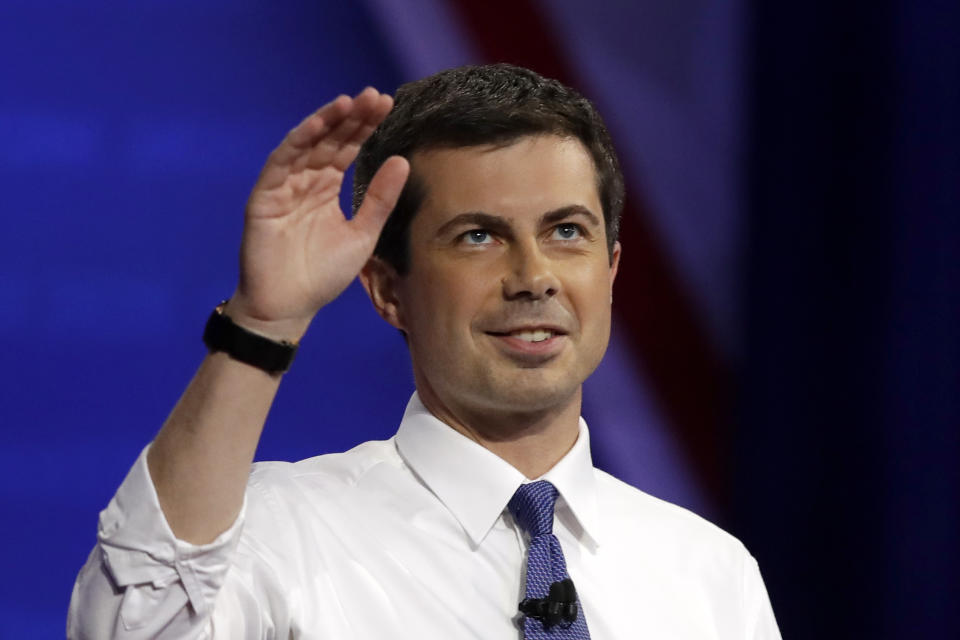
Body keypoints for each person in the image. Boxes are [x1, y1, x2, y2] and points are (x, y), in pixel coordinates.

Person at [68, 64, 781, 639]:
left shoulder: (708, 573)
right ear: (387, 290)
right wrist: (264, 320)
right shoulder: (281, 534)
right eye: (478, 236)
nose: (533, 277)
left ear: (612, 268)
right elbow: (131, 629)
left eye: (566, 231)